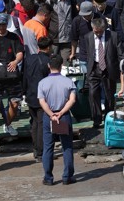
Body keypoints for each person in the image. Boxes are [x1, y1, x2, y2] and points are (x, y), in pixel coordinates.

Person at [38, 54, 77, 185]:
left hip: (49, 116)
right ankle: (67, 176)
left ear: (49, 66)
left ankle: (48, 178)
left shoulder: (42, 83)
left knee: (48, 147)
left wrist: (51, 114)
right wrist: (61, 113)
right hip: (64, 116)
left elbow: (42, 102)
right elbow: (72, 100)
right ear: (61, 66)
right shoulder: (68, 82)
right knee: (67, 146)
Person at [85, 18, 124, 129]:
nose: (97, 34)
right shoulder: (88, 37)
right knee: (93, 93)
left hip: (109, 68)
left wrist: (122, 66)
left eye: (100, 32)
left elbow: (120, 53)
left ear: (104, 28)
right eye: (95, 31)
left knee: (109, 95)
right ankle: (96, 119)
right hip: (94, 68)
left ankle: (108, 117)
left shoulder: (113, 36)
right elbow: (88, 53)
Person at [23, 37, 52, 162]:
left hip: (30, 94)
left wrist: (24, 92)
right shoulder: (48, 61)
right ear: (49, 47)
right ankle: (40, 152)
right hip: (42, 97)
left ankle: (36, 149)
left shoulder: (29, 59)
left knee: (34, 123)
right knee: (41, 124)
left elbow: (24, 77)